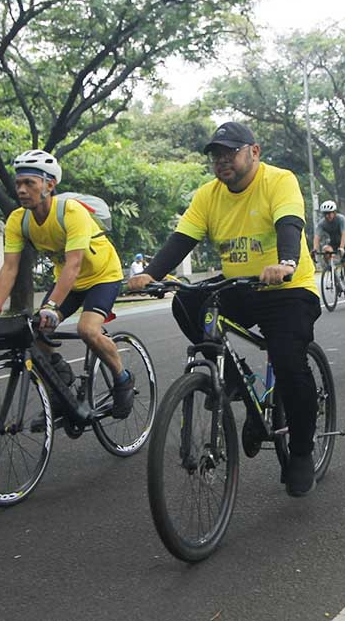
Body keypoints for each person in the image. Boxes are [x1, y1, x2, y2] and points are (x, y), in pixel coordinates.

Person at [127, 121, 322, 497]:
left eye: (230, 152)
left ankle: (301, 451)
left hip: (287, 288)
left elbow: (289, 223)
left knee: (288, 363)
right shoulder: (208, 195)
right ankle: (234, 379)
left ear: (254, 152)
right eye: (216, 155)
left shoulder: (279, 181)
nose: (222, 161)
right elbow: (181, 239)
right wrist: (150, 274)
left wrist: (285, 262)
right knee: (187, 302)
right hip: (240, 287)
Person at [0, 149, 134, 423]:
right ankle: (60, 379)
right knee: (34, 332)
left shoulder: (71, 212)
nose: (21, 190)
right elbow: (10, 267)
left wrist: (52, 307)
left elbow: (74, 263)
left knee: (87, 330)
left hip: (102, 275)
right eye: (18, 183)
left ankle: (122, 379)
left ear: (49, 184)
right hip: (69, 281)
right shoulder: (18, 219)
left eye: (29, 183)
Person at [313, 200, 345, 297]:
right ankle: (333, 270)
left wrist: (342, 248)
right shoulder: (322, 223)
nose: (327, 216)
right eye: (325, 214)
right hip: (334, 242)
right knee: (325, 249)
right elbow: (317, 237)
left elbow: (344, 233)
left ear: (334, 212)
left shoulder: (341, 219)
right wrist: (315, 249)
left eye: (329, 213)